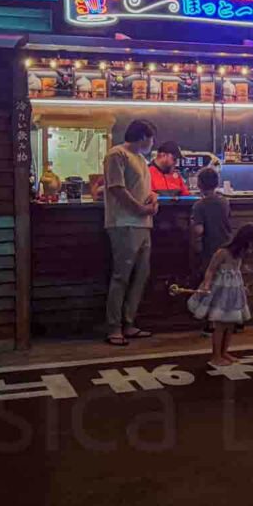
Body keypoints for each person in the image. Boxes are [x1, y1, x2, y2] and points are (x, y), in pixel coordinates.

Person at [103, 119, 160, 346]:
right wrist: (141, 208)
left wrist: (153, 197)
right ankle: (114, 327)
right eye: (151, 138)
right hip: (123, 223)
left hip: (143, 224)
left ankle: (129, 322)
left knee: (140, 276)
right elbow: (117, 189)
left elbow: (143, 188)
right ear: (143, 136)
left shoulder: (142, 159)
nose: (152, 143)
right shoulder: (117, 154)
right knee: (122, 276)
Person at [190, 223, 253, 367]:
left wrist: (243, 286)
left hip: (234, 292)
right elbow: (210, 270)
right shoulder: (222, 252)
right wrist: (206, 285)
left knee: (230, 324)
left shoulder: (240, 254)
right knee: (220, 324)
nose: (252, 248)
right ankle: (216, 356)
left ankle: (224, 352)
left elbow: (237, 272)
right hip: (221, 292)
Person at [190, 166, 231, 335]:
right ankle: (232, 320)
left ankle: (211, 324)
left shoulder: (199, 205)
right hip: (227, 246)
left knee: (211, 284)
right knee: (227, 284)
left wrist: (190, 226)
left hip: (210, 248)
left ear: (199, 185)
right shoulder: (224, 201)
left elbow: (199, 230)